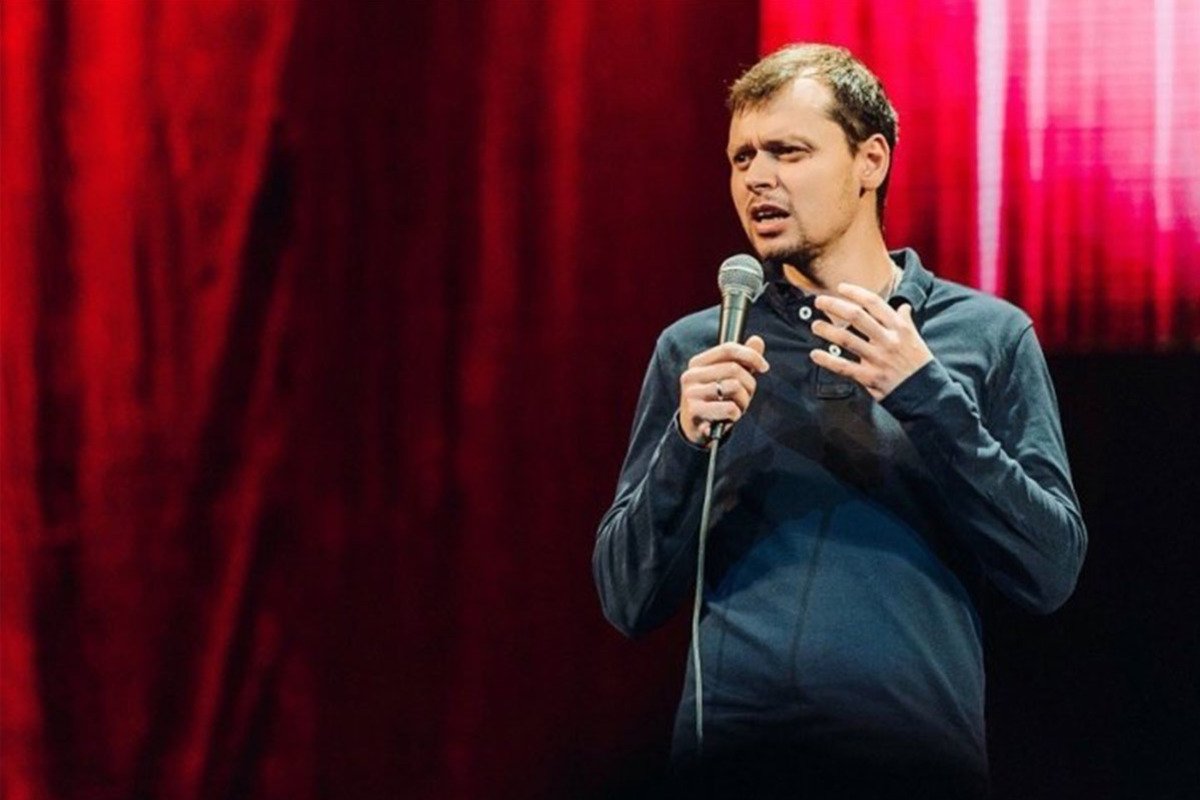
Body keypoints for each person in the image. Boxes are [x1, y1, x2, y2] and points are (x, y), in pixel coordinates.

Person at [592, 43, 1087, 798]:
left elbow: (1049, 570)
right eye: (741, 157)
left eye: (788, 152)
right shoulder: (703, 348)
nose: (757, 178)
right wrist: (684, 445)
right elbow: (626, 598)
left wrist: (924, 391)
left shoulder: (986, 336)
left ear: (870, 161)